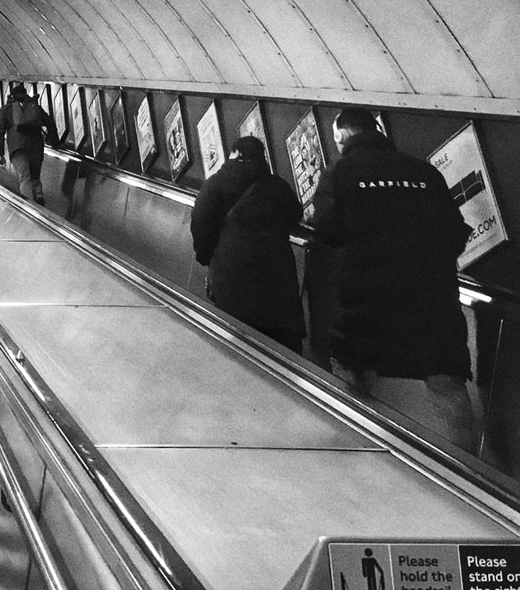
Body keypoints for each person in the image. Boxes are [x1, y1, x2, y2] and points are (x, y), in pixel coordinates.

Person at [310, 107, 477, 451]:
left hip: (367, 304)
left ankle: (358, 453)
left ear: (341, 136)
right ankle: (469, 475)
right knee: (447, 385)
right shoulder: (425, 172)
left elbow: (326, 231)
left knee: (351, 374)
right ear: (376, 129)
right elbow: (456, 234)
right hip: (432, 303)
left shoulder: (339, 173)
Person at [190, 136, 304, 352]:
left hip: (232, 276)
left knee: (235, 344)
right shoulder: (278, 186)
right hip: (277, 281)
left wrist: (206, 257)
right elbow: (295, 214)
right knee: (279, 350)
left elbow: (201, 224)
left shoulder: (215, 183)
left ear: (235, 153)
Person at [0, 82, 59, 206]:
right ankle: (39, 197)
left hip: (17, 148)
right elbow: (50, 123)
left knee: (24, 176)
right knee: (35, 176)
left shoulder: (7, 109)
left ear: (11, 96)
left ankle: (29, 207)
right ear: (25, 94)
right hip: (36, 146)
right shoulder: (34, 107)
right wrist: (55, 143)